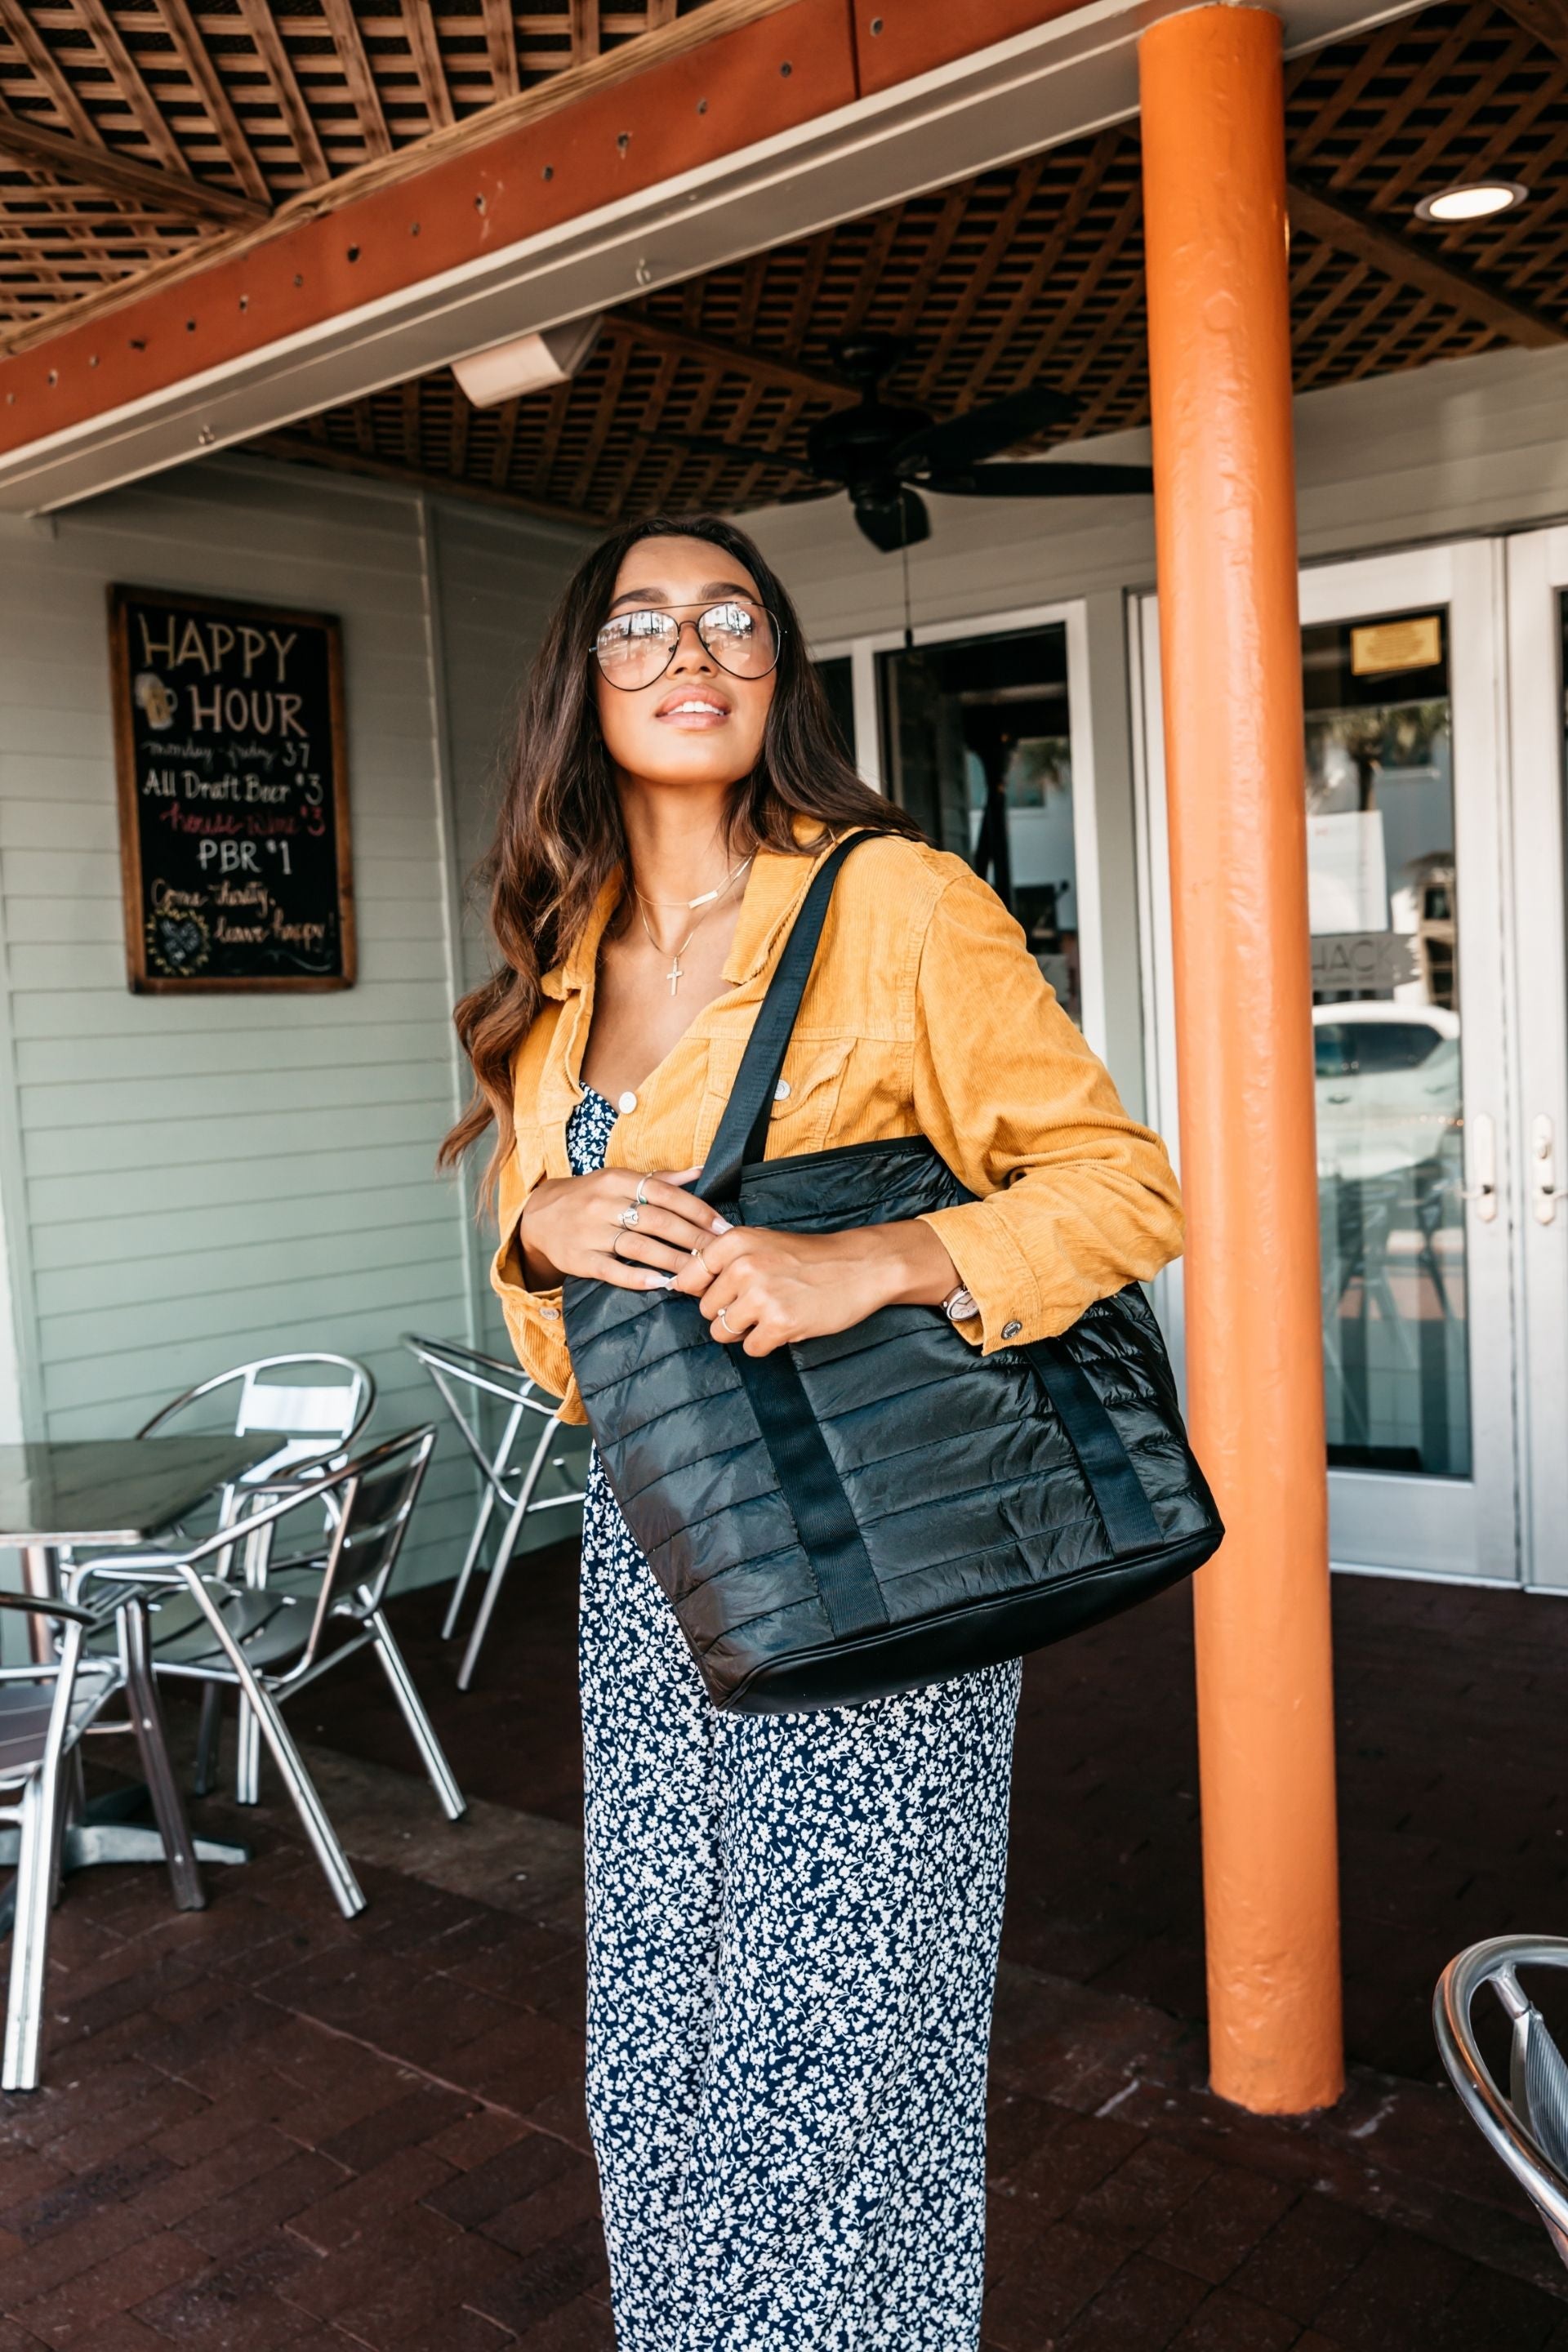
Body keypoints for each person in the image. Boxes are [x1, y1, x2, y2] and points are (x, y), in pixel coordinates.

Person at [442, 514, 1183, 2350]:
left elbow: (1122, 1189)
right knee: (669, 2025)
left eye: (729, 618)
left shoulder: (895, 900)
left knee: (847, 2056)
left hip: (881, 1539)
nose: (687, 651)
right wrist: (538, 1229)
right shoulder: (566, 950)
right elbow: (562, 1315)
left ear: (775, 667)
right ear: (582, 684)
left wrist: (873, 1262)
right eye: (638, 627)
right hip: (657, 1557)